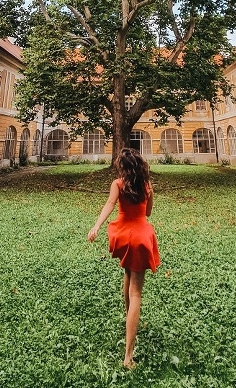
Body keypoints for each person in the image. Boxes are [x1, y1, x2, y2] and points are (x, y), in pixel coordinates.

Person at [87, 147, 160, 368]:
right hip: (140, 237)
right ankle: (128, 356)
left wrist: (96, 226)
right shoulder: (147, 186)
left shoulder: (118, 184)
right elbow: (147, 213)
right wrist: (149, 194)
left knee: (127, 275)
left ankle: (130, 319)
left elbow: (109, 205)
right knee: (136, 293)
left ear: (123, 167)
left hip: (124, 236)